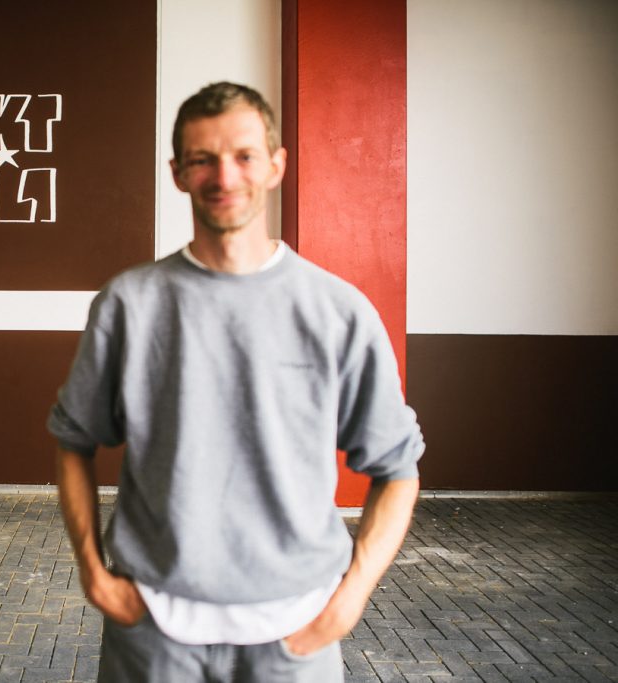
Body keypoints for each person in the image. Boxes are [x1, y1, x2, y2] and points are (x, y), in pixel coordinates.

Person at [47, 81, 424, 682]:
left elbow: (397, 470)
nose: (225, 177)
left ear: (275, 166)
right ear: (178, 173)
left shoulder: (338, 311)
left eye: (245, 156)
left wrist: (350, 599)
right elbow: (74, 442)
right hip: (154, 635)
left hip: (295, 638)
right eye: (203, 160)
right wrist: (94, 574)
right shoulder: (129, 304)